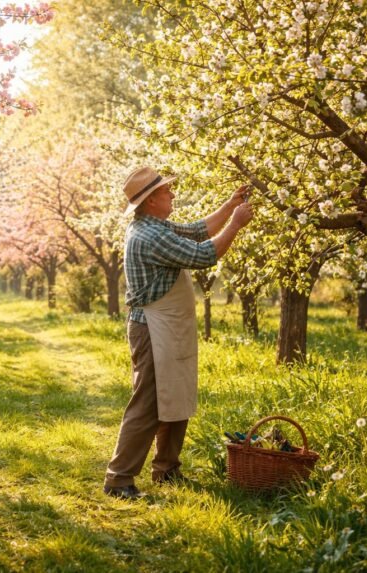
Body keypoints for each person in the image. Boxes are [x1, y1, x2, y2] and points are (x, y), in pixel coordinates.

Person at [103, 165, 254, 500]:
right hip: (153, 328)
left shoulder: (155, 226)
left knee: (176, 396)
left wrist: (230, 205)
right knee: (148, 404)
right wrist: (236, 224)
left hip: (168, 326)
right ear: (151, 200)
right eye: (166, 190)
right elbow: (204, 255)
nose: (172, 193)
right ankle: (119, 479)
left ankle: (167, 470)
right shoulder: (149, 236)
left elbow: (196, 231)